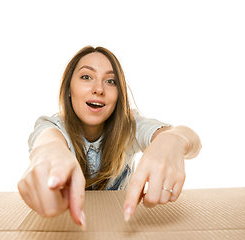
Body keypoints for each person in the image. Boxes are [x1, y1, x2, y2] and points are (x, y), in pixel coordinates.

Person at [18, 46, 202, 231]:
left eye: (110, 81)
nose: (98, 89)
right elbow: (47, 140)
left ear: (119, 94)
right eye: (86, 77)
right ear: (68, 89)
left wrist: (173, 140)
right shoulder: (53, 125)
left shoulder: (130, 126)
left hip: (120, 227)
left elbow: (190, 140)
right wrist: (49, 151)